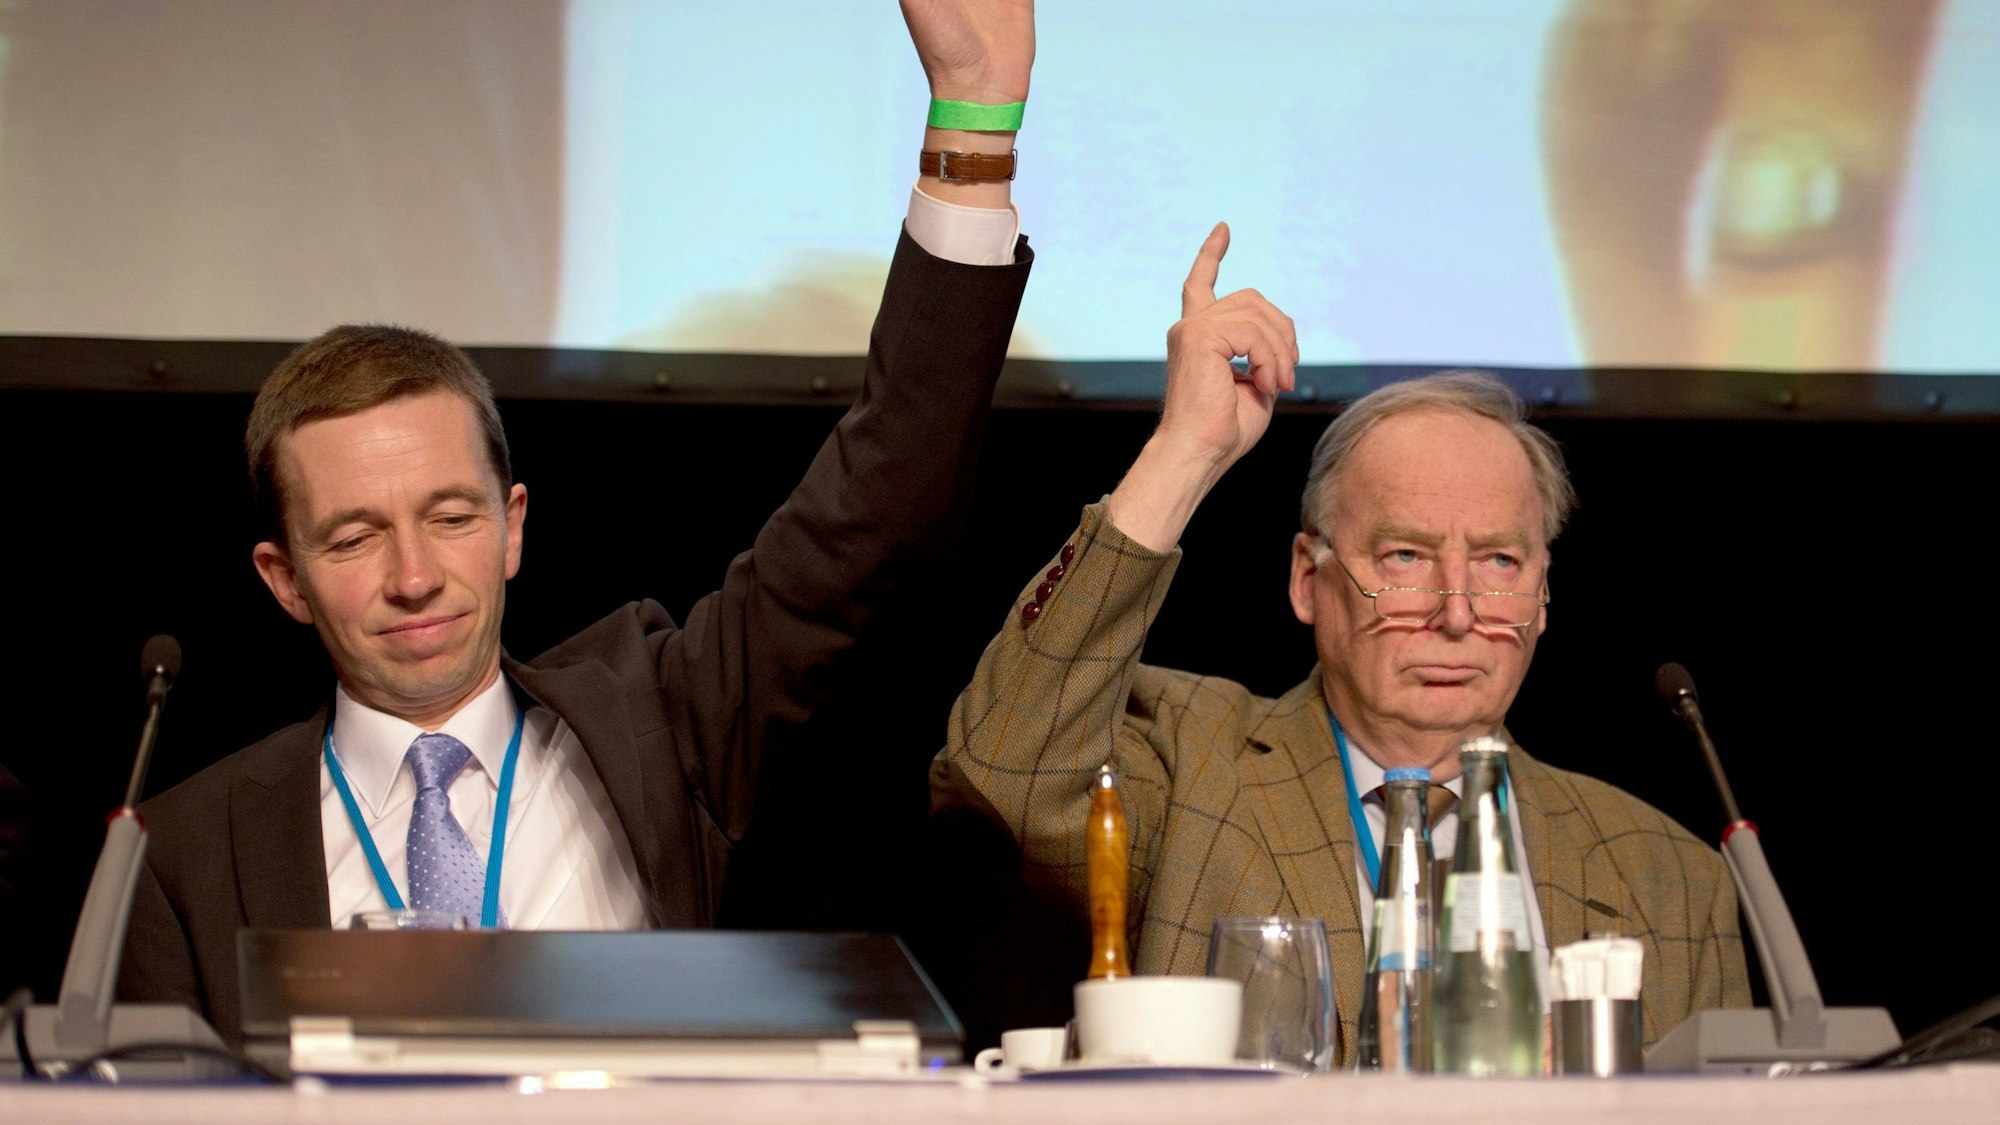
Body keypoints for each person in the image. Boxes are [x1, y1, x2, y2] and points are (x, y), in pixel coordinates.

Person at [119, 1, 1037, 1043]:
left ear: (512, 527)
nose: (414, 575)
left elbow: (875, 507)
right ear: (282, 578)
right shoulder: (182, 850)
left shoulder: (665, 722)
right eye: (354, 537)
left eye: (450, 516)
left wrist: (973, 129)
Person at [933, 227, 1751, 1064]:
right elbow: (1007, 769)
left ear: (1544, 594)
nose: (1458, 612)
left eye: (1500, 560)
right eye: (1405, 557)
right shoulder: (1193, 774)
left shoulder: (1669, 877)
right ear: (1306, 579)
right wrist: (1183, 452)